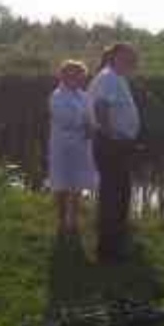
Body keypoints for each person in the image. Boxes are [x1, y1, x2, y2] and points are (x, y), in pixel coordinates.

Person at [88, 43, 141, 263]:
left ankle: (117, 241)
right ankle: (109, 249)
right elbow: (101, 108)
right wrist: (111, 136)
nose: (133, 60)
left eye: (134, 57)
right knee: (113, 195)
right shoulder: (109, 77)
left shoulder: (116, 77)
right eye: (128, 56)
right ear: (116, 56)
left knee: (119, 192)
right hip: (111, 144)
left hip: (117, 143)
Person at [48, 60, 97, 236]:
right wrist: (86, 125)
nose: (75, 78)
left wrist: (92, 126)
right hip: (62, 146)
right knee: (61, 184)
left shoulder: (85, 96)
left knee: (77, 185)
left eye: (79, 75)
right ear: (63, 76)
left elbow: (91, 117)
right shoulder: (57, 96)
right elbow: (65, 119)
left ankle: (73, 221)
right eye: (70, 74)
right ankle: (61, 221)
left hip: (81, 146)